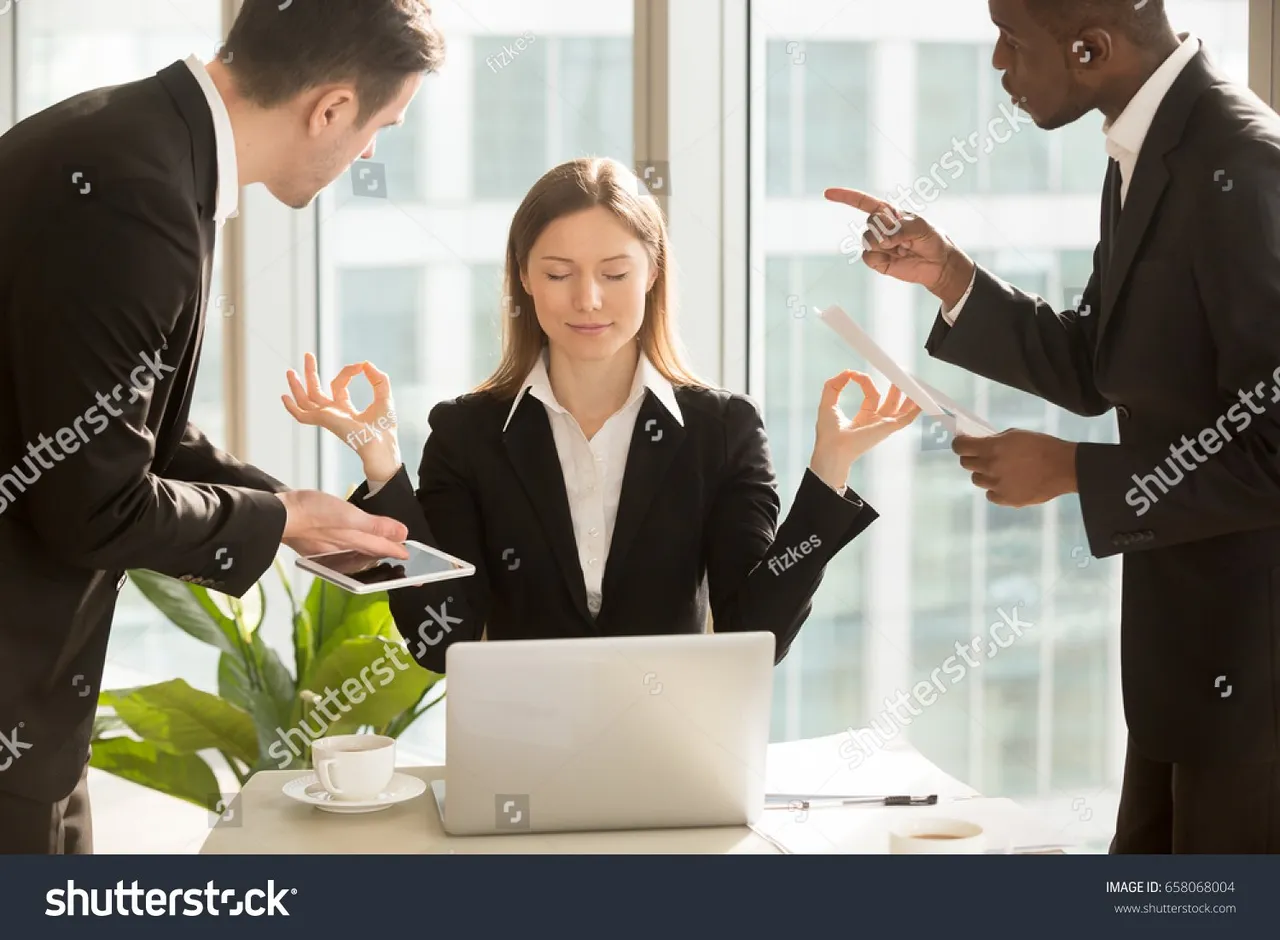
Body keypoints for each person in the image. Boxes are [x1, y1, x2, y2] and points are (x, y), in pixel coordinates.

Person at [829, 0, 1280, 853]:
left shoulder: (1243, 166)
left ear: (1090, 47)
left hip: (1253, 688)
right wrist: (952, 277)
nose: (999, 64)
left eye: (1012, 42)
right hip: (1182, 663)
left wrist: (1077, 471)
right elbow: (1097, 365)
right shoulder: (1149, 147)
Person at [0, 0, 447, 854]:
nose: (369, 154)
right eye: (379, 126)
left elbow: (127, 433)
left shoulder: (131, 141)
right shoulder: (136, 202)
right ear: (331, 108)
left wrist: (290, 511)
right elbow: (90, 505)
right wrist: (280, 522)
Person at [283, 156, 921, 674]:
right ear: (525, 280)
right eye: (558, 274)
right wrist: (379, 458)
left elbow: (757, 633)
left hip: (673, 755)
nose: (587, 300)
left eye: (614, 273)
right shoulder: (467, 433)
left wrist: (829, 470)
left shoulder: (720, 430)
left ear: (651, 274)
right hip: (519, 764)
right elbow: (438, 641)